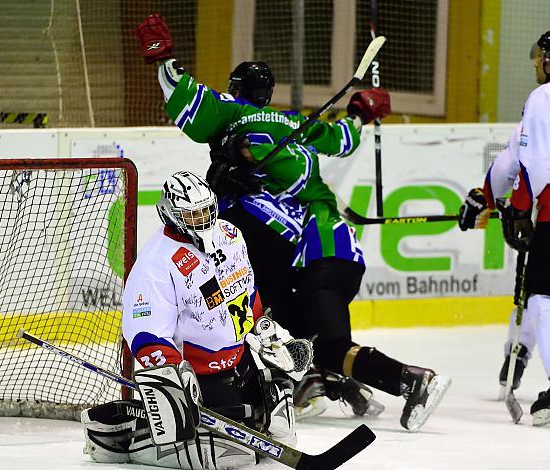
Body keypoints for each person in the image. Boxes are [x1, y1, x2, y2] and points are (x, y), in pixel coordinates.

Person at [135, 13, 451, 432]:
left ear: (236, 90)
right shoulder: (292, 124)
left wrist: (164, 62)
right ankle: (337, 382)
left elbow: (188, 98)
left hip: (317, 255)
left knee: (306, 332)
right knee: (307, 333)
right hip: (326, 253)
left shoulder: (236, 117)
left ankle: (398, 380)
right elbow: (342, 139)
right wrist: (360, 111)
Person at [80, 171, 313, 468]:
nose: (202, 219)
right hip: (201, 377)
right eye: (192, 215)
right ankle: (127, 440)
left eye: (206, 210)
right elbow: (146, 334)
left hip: (242, 361)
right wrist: (173, 378)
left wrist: (273, 335)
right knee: (232, 454)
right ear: (170, 214)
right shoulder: (155, 263)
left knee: (279, 427)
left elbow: (246, 292)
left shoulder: (230, 235)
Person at [458, 32, 550, 426]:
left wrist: (517, 208)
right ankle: (520, 351)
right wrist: (486, 196)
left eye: (540, 56)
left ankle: (523, 353)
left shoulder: (543, 99)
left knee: (543, 295)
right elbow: (515, 154)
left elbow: (530, 161)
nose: (535, 63)